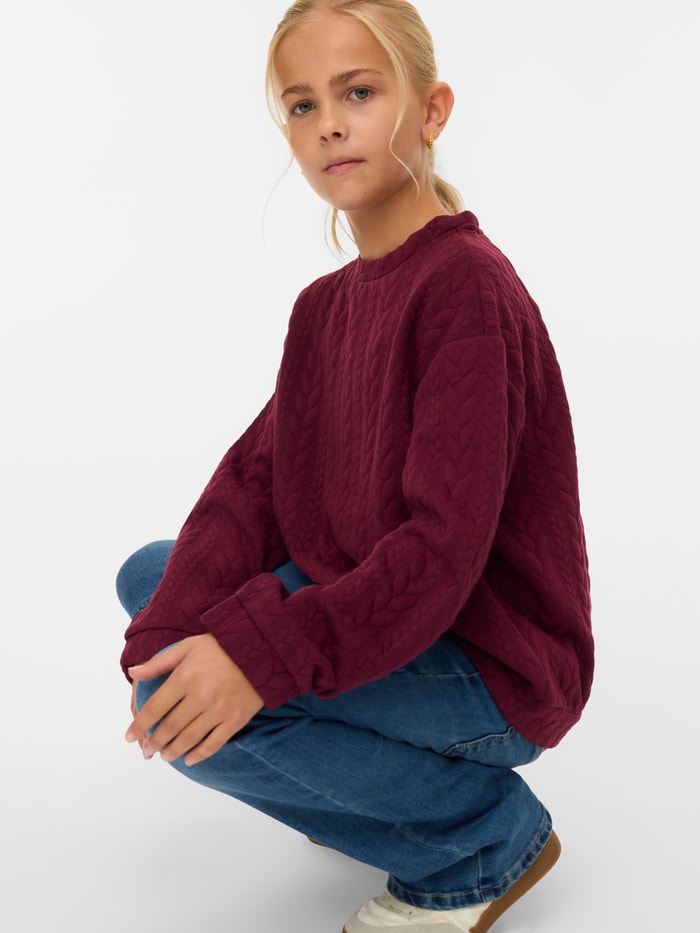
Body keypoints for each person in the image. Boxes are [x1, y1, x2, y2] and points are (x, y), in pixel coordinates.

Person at [117, 2, 594, 931]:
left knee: (188, 697)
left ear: (432, 110)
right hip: (386, 612)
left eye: (359, 93)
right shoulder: (324, 308)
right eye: (302, 105)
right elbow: (252, 488)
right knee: (153, 587)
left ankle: (481, 841)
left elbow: (439, 554)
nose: (329, 123)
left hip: (490, 657)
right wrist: (171, 631)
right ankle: (358, 774)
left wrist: (254, 659)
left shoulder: (465, 286)